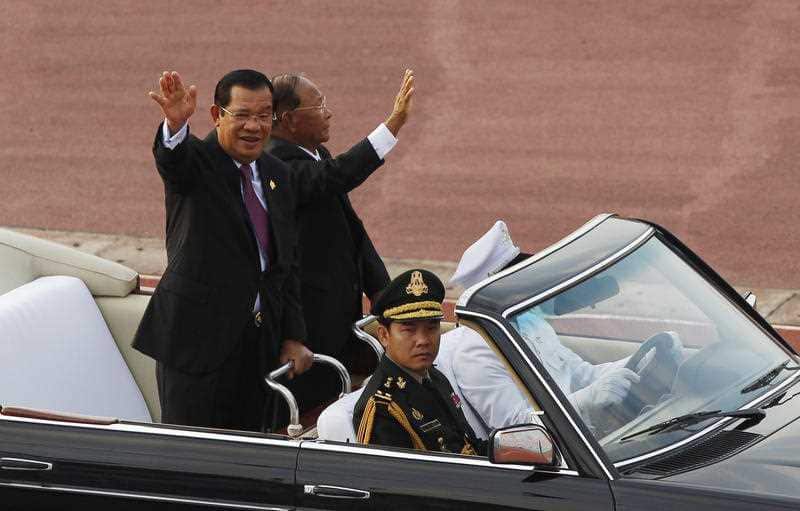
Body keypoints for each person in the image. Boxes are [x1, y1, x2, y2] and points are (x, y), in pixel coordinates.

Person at [134, 69, 409, 432]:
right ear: (218, 116)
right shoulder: (198, 165)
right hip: (198, 347)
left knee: (252, 453)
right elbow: (173, 162)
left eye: (263, 116)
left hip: (257, 350)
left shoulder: (274, 173)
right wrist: (174, 125)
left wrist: (294, 336)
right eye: (242, 116)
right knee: (195, 459)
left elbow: (284, 266)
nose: (254, 126)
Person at [446, 221, 684, 437]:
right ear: (495, 289)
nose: (528, 283)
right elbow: (516, 428)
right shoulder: (475, 351)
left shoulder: (530, 322)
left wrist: (639, 360)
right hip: (558, 458)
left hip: (586, 437)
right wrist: (586, 400)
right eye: (516, 279)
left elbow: (581, 373)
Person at [265, 71, 413, 411]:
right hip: (310, 325)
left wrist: (383, 292)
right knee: (318, 409)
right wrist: (392, 126)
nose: (328, 113)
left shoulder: (318, 154)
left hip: (341, 313)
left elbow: (353, 229)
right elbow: (335, 177)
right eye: (319, 106)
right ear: (289, 120)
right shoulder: (277, 163)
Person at [353, 269, 486, 455]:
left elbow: (466, 443)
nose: (423, 340)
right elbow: (396, 481)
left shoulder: (434, 377)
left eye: (431, 328)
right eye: (409, 330)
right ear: (384, 336)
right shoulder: (383, 408)